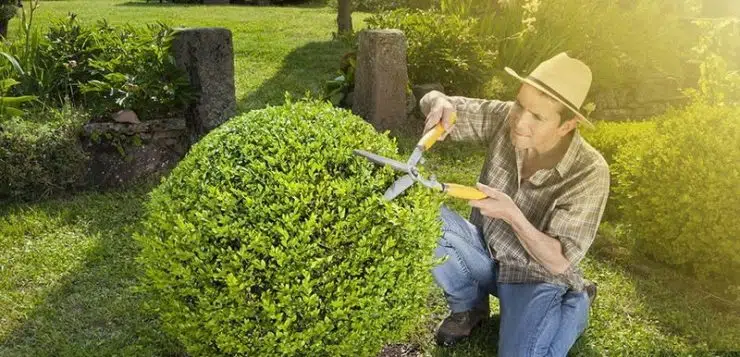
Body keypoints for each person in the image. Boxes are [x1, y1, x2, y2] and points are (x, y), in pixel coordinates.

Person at [419, 52, 610, 356]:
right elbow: (436, 100)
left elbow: (559, 261)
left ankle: (578, 304)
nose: (520, 121)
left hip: (536, 275)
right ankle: (470, 309)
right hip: (487, 252)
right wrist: (438, 103)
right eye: (520, 105)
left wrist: (514, 216)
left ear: (567, 126)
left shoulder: (589, 172)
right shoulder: (505, 117)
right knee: (422, 216)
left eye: (538, 117)